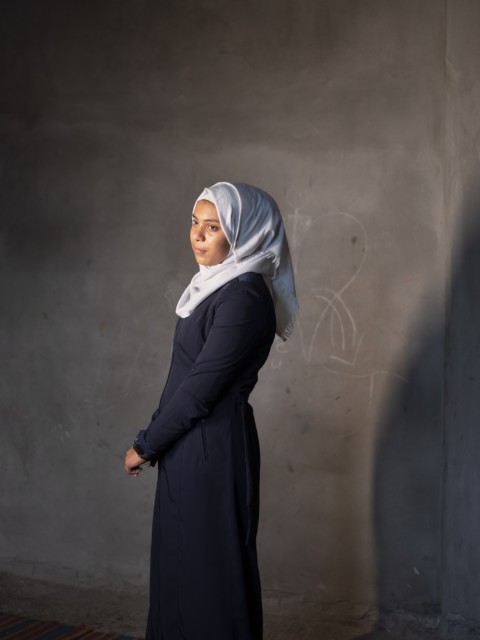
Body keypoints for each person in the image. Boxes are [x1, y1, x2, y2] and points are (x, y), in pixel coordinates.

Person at [124, 182, 298, 640]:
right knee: (180, 569)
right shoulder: (215, 288)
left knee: (210, 576)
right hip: (188, 447)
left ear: (244, 232)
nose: (198, 235)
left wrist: (146, 444)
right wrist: (156, 439)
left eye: (214, 226)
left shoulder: (242, 298)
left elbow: (199, 390)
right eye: (194, 222)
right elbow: (182, 380)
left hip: (212, 450)